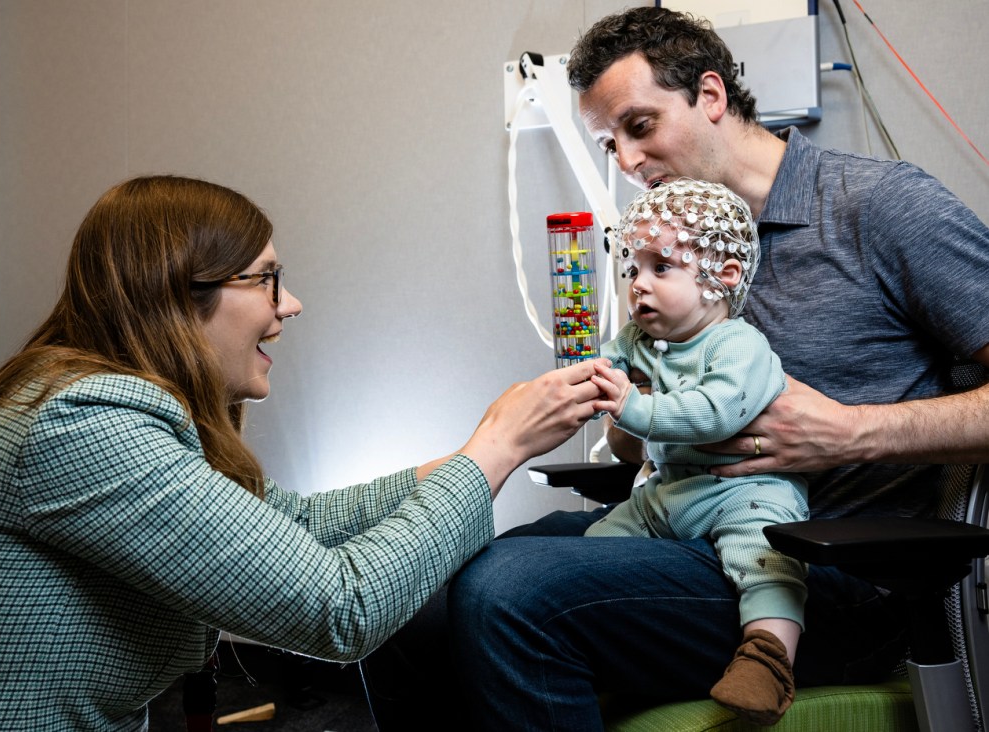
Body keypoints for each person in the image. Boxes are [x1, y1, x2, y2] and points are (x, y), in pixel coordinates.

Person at [361, 7, 989, 731]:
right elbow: (638, 444)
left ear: (711, 97)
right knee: (409, 593)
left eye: (639, 126)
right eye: (608, 144)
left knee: (509, 591)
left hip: (821, 572)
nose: (626, 164)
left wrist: (855, 434)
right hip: (677, 529)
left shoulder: (880, 209)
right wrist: (622, 412)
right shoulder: (661, 258)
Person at [0, 175, 611, 730]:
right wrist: (491, 454)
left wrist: (460, 460)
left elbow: (280, 520)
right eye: (265, 278)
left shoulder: (88, 398)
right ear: (180, 293)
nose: (288, 303)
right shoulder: (83, 424)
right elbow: (342, 608)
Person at [587, 178, 806, 725]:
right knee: (595, 546)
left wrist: (631, 409)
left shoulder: (740, 345)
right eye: (633, 268)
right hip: (669, 491)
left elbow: (715, 412)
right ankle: (611, 657)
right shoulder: (640, 338)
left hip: (743, 489)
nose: (639, 284)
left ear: (722, 278)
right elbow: (609, 361)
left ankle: (768, 659)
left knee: (768, 558)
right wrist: (590, 380)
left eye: (662, 267)